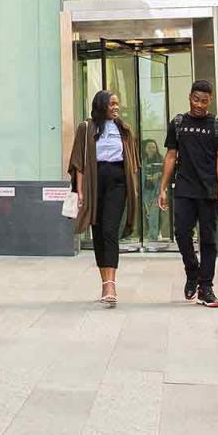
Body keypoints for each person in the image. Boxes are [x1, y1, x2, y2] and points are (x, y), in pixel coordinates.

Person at [158, 81, 218, 308]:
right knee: (181, 234)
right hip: (184, 188)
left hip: (210, 191)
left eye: (204, 101)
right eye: (195, 99)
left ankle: (206, 287)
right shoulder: (178, 123)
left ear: (210, 100)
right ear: (189, 97)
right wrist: (163, 188)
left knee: (208, 240)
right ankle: (192, 272)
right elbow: (171, 156)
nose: (199, 105)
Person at [67, 90, 139, 308]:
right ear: (101, 105)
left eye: (118, 104)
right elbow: (79, 163)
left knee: (109, 230)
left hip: (118, 183)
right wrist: (80, 191)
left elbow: (132, 161)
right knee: (98, 232)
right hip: (93, 183)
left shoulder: (123, 129)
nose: (116, 108)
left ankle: (111, 285)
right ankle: (104, 281)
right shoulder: (86, 128)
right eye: (112, 104)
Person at [139, 139, 165, 245]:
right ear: (145, 149)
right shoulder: (142, 161)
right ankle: (152, 234)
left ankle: (152, 237)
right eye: (149, 147)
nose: (151, 149)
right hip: (145, 191)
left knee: (154, 213)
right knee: (148, 214)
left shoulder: (160, 160)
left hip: (157, 191)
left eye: (153, 147)